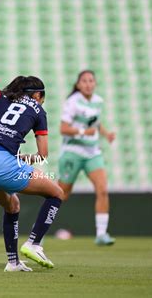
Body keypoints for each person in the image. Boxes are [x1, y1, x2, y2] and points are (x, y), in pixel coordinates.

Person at [0, 76, 64, 271]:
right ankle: (34, 243)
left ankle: (13, 262)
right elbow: (43, 155)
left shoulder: (3, 97)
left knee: (12, 205)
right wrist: (25, 159)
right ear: (38, 95)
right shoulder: (38, 109)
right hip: (3, 165)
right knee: (56, 193)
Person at [58, 70, 116, 246]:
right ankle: (40, 230)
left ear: (95, 83)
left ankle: (101, 234)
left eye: (91, 80)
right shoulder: (72, 102)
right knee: (61, 194)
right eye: (84, 81)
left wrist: (105, 134)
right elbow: (63, 129)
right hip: (73, 151)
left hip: (92, 152)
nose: (88, 84)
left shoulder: (98, 101)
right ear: (78, 85)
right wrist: (84, 132)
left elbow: (95, 123)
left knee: (103, 189)